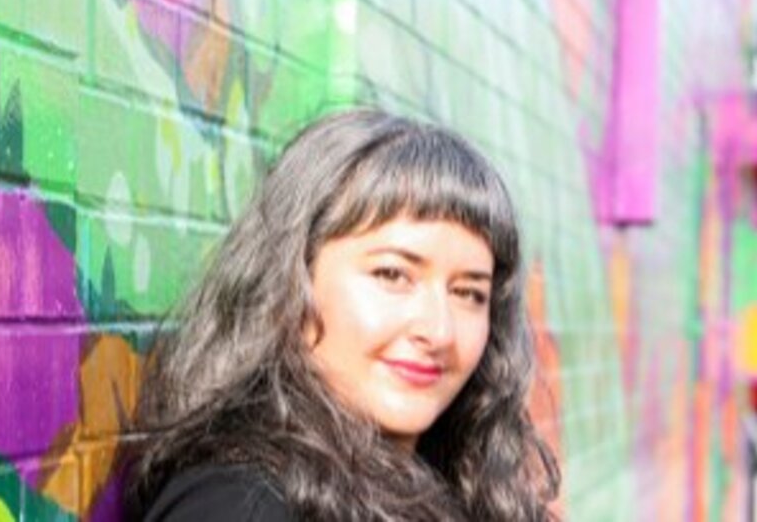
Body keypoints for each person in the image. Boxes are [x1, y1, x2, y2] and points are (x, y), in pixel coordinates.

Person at [124, 109, 560, 521]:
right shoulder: (241, 506)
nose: (439, 330)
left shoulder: (454, 476)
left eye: (468, 293)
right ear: (292, 279)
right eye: (393, 274)